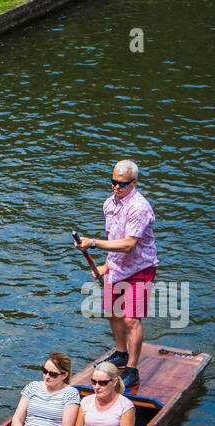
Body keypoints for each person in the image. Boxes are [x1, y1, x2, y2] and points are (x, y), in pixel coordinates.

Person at [73, 159, 160, 392]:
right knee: (113, 312)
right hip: (116, 267)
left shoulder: (140, 208)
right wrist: (104, 265)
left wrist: (92, 243)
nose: (116, 188)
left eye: (122, 184)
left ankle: (132, 369)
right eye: (113, 182)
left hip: (140, 268)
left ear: (135, 182)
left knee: (131, 319)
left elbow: (129, 244)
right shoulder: (108, 205)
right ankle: (121, 353)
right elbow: (114, 239)